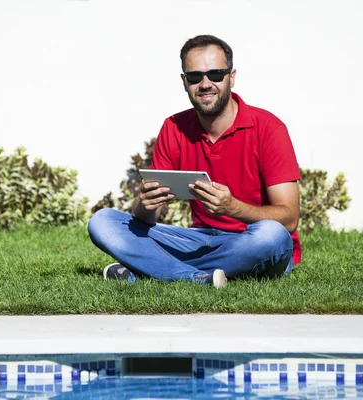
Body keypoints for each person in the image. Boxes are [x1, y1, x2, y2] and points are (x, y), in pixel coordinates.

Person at [88, 34, 301, 288]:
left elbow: (289, 218)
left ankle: (154, 269)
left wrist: (232, 207)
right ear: (184, 81)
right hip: (197, 240)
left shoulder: (268, 128)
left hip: (249, 238)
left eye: (216, 74)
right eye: (195, 76)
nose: (205, 83)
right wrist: (145, 204)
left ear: (231, 77)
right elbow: (148, 218)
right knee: (103, 222)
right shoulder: (174, 127)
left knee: (273, 236)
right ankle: (197, 278)